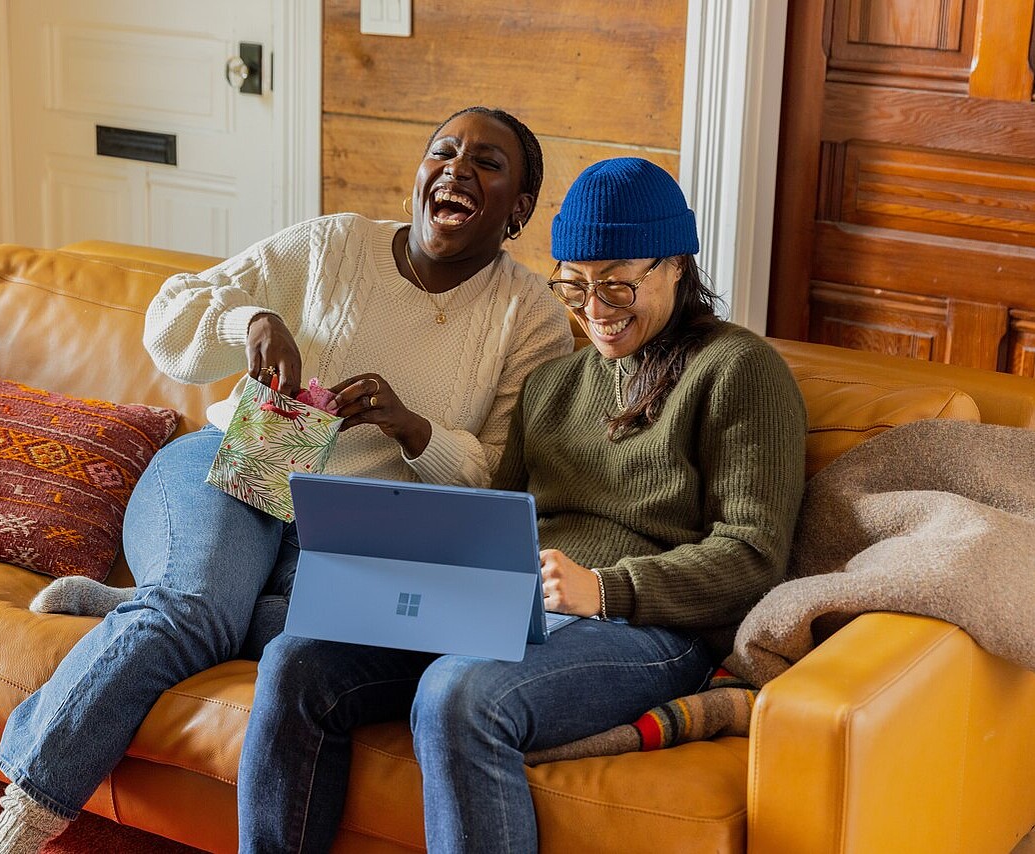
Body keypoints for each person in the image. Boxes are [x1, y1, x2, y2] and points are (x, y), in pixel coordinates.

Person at [0, 106, 573, 854]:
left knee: (328, 629)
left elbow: (496, 475)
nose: (457, 169)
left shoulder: (534, 319)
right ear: (420, 175)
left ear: (517, 209)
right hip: (236, 461)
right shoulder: (334, 245)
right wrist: (252, 323)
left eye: (487, 163)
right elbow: (171, 317)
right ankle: (22, 821)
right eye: (443, 152)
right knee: (196, 609)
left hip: (359, 526)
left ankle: (141, 605)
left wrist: (412, 428)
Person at [237, 157, 808, 853]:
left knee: (459, 695)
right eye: (576, 286)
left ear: (677, 266)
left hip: (650, 627)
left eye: (618, 286)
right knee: (298, 657)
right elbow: (497, 520)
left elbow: (753, 554)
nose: (595, 311)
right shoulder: (552, 386)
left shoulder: (740, 370)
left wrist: (606, 589)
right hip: (517, 607)